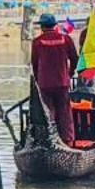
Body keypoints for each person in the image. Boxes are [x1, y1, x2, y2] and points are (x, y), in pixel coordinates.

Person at [29, 12, 77, 140]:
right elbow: (74, 59)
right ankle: (67, 140)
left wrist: (38, 81)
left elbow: (34, 64)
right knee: (65, 113)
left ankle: (50, 139)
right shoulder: (65, 39)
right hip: (62, 82)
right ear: (54, 25)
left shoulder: (37, 42)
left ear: (42, 27)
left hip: (45, 84)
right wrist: (70, 74)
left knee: (48, 112)